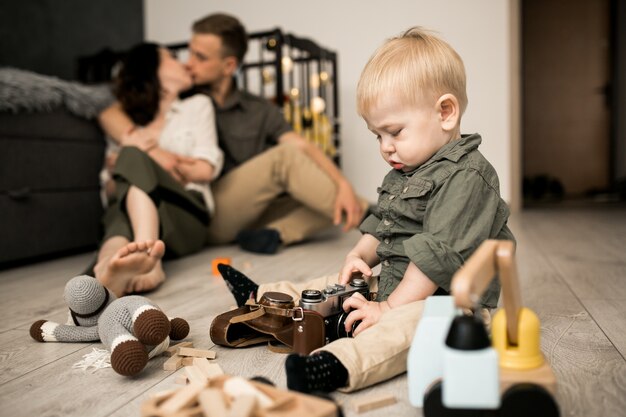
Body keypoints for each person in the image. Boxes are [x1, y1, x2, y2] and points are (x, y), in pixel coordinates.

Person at [217, 26, 515, 393]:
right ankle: (265, 298)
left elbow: (435, 259)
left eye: (395, 131)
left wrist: (387, 310)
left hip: (447, 300)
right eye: (378, 136)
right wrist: (359, 254)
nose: (386, 147)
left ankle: (337, 365)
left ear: (446, 113)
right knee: (333, 286)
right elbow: (384, 225)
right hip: (398, 282)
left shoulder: (468, 176)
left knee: (402, 330)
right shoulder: (406, 168)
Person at [99, 13, 367, 255]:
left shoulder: (258, 110)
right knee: (286, 160)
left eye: (200, 57)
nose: (188, 64)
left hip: (252, 207)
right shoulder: (181, 98)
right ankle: (380, 220)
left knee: (331, 198)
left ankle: (275, 234)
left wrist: (343, 185)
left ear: (228, 66)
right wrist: (151, 151)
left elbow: (303, 146)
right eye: (189, 53)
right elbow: (109, 113)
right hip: (206, 207)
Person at [94, 43, 223, 297]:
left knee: (131, 156)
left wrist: (140, 159)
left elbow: (204, 170)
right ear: (151, 70)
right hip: (135, 210)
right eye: (173, 57)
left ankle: (147, 256)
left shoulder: (197, 106)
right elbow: (110, 189)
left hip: (185, 216)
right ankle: (109, 267)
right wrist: (155, 164)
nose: (185, 63)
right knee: (126, 191)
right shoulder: (127, 121)